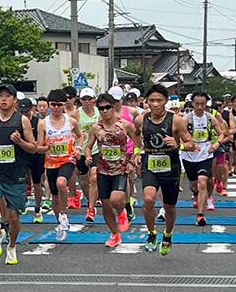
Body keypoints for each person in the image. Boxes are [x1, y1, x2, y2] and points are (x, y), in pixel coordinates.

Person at [0, 84, 36, 265]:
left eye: (7, 96)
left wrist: (20, 141)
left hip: (15, 174)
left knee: (13, 217)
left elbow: (33, 148)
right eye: (0, 96)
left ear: (14, 100)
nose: (3, 99)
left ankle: (11, 245)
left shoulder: (22, 120)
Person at [132, 84, 196, 255]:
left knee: (169, 207)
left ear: (166, 101)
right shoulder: (141, 119)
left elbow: (191, 144)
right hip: (150, 165)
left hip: (170, 168)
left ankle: (167, 234)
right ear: (147, 102)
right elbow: (136, 135)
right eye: (151, 100)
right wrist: (137, 152)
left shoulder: (175, 120)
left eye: (159, 100)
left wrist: (178, 145)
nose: (155, 104)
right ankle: (152, 232)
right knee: (148, 199)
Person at [84, 94, 134, 247]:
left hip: (120, 169)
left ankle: (121, 211)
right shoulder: (95, 127)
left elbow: (138, 140)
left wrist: (133, 159)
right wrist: (87, 156)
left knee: (116, 199)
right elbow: (88, 145)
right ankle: (114, 234)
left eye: (107, 107)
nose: (105, 111)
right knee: (105, 204)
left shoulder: (124, 125)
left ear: (114, 107)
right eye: (101, 108)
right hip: (102, 170)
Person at [37, 89, 83, 241]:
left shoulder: (71, 121)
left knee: (61, 183)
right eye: (53, 104)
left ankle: (63, 213)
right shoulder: (43, 124)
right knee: (54, 197)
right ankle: (60, 223)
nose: (56, 107)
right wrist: (46, 145)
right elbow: (38, 147)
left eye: (59, 104)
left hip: (67, 160)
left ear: (64, 105)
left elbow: (80, 135)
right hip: (51, 163)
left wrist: (78, 148)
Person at [181, 92, 224, 226]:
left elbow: (221, 133)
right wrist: (188, 145)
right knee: (194, 185)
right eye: (197, 103)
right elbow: (178, 136)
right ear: (192, 104)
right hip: (189, 156)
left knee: (203, 181)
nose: (200, 106)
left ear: (206, 104)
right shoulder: (185, 119)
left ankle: (200, 214)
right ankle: (196, 194)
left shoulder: (210, 118)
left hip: (205, 154)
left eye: (203, 104)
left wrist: (216, 144)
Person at [109, 86, 141, 220]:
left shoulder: (131, 111)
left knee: (128, 176)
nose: (115, 103)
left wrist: (140, 135)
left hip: (128, 149)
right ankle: (123, 203)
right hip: (111, 152)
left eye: (117, 100)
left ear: (122, 99)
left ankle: (128, 202)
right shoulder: (105, 113)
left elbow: (143, 120)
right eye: (113, 101)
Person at [17, 98, 45, 223]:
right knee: (21, 182)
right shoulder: (17, 121)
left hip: (35, 156)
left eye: (27, 112)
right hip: (22, 156)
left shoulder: (38, 122)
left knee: (37, 184)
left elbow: (38, 144)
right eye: (22, 112)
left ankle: (37, 210)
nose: (24, 115)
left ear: (33, 109)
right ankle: (22, 200)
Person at [75, 88, 99, 222]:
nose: (87, 102)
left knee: (94, 177)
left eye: (89, 99)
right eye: (84, 99)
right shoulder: (76, 114)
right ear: (80, 100)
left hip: (95, 149)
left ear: (94, 99)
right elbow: (70, 129)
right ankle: (90, 198)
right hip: (81, 150)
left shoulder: (98, 113)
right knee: (84, 180)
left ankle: (91, 208)